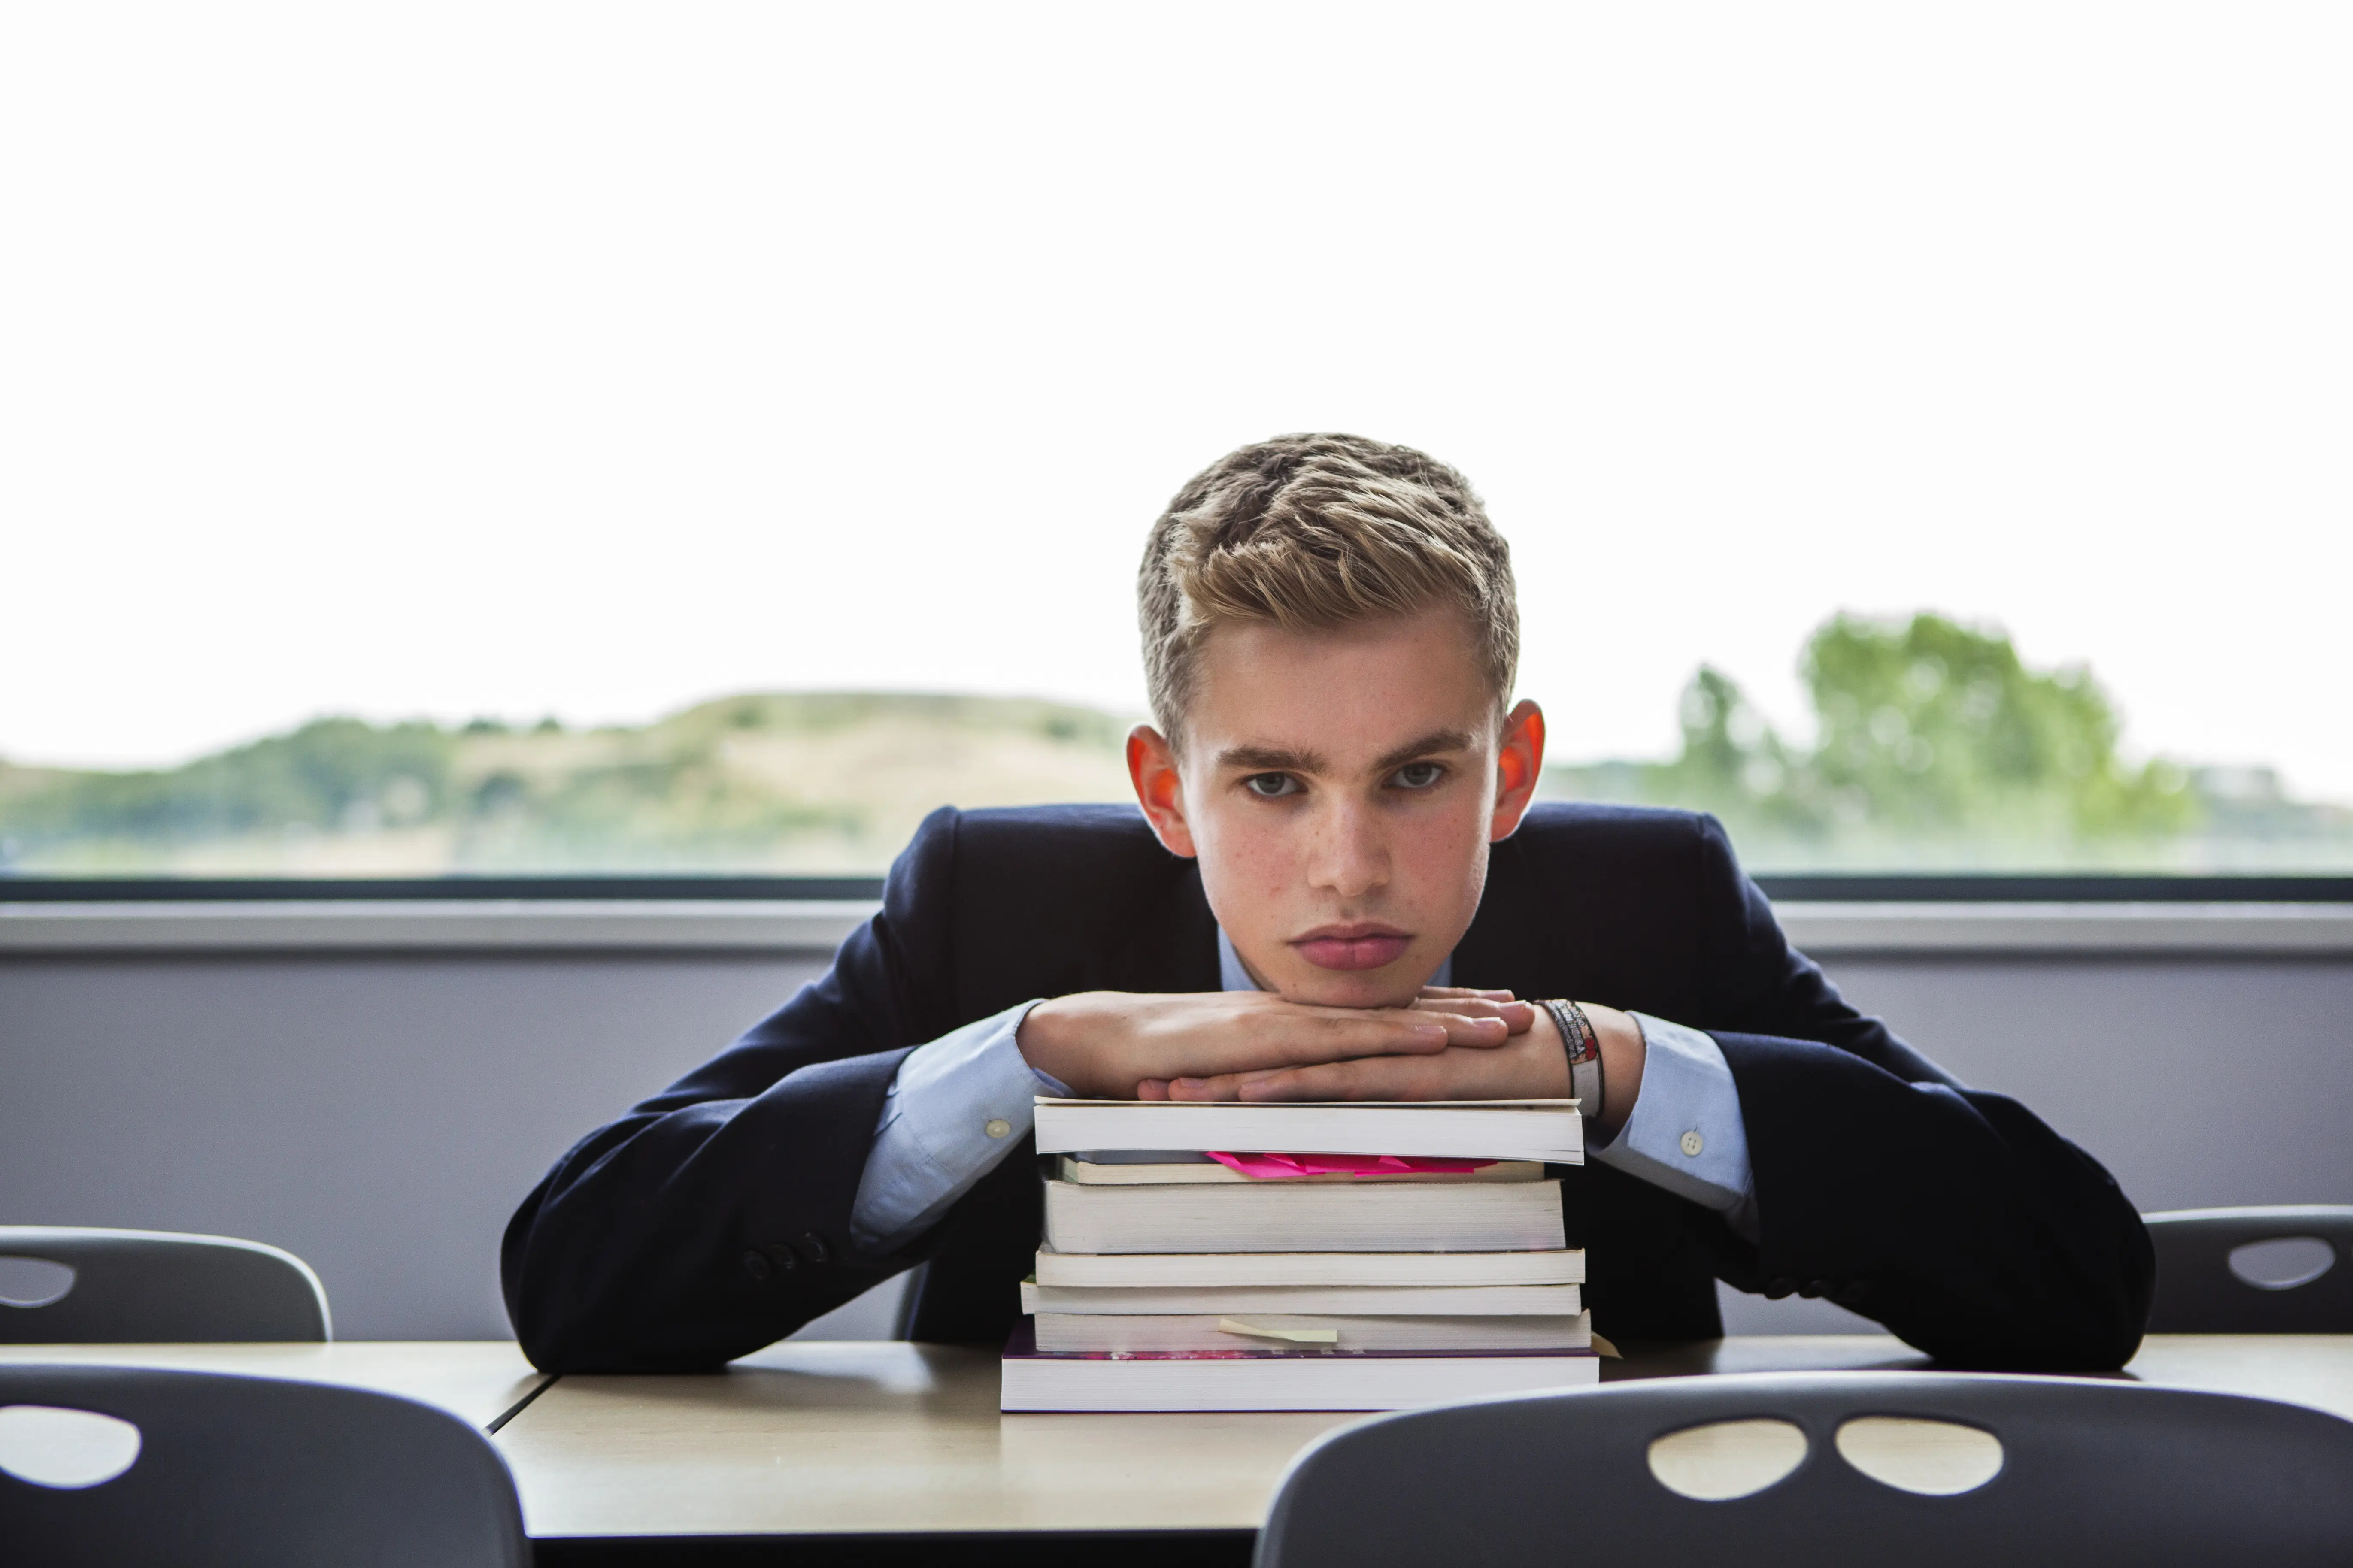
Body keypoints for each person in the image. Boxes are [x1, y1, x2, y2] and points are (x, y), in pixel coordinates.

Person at [502, 433, 2153, 1373]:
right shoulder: (991, 910)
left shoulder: (1657, 906)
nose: (1350, 870)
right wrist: (1027, 1053)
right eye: (1274, 784)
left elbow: (2079, 1278)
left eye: (1418, 779)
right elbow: (574, 1274)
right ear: (1166, 789)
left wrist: (1617, 1070)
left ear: (1511, 773)